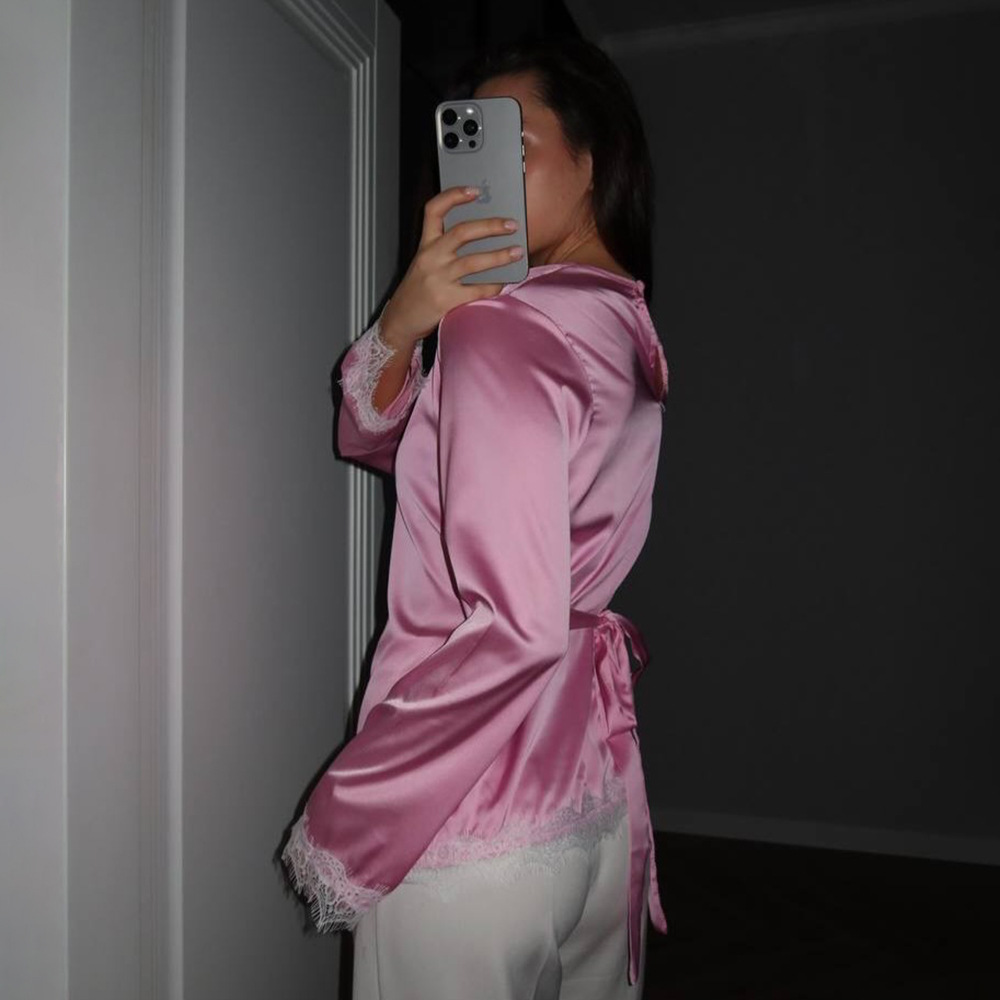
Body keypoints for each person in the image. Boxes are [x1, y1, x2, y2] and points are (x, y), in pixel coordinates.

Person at [281, 35, 669, 1000]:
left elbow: (514, 628)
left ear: (595, 159)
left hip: (469, 820)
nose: (478, 172)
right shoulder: (625, 327)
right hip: (589, 806)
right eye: (468, 144)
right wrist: (405, 322)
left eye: (513, 142)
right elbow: (393, 446)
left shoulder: (505, 325)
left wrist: (357, 809)